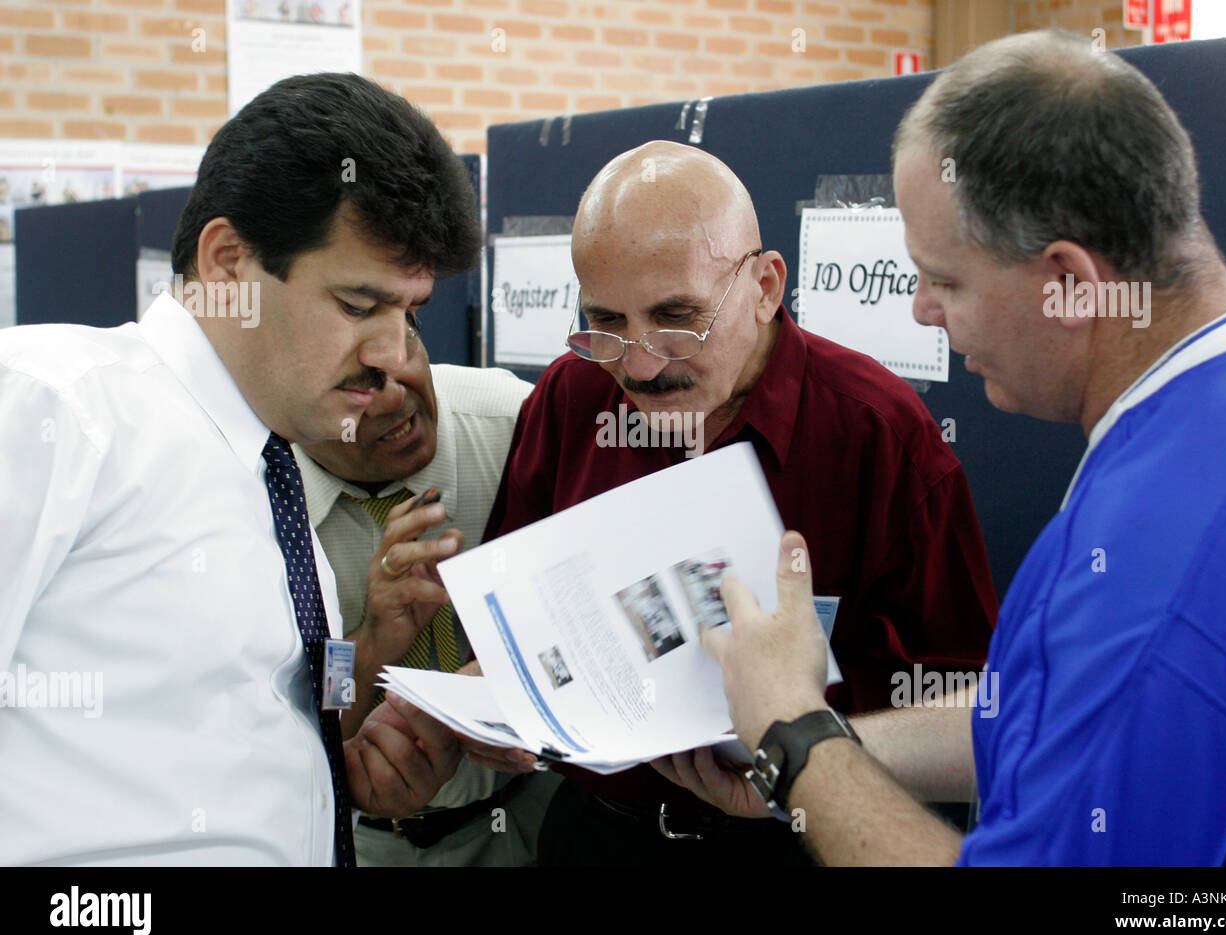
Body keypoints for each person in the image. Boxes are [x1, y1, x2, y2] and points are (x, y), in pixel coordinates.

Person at [658, 29, 1226, 866]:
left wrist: (795, 736)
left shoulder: (1157, 571)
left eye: (945, 279)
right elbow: (1065, 713)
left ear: (1070, 280)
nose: (922, 309)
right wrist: (836, 746)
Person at [0, 73, 480, 865]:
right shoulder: (53, 407)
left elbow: (278, 700)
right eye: (360, 306)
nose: (395, 357)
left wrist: (360, 719)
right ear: (228, 263)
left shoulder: (272, 465)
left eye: (411, 314)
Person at [483, 140, 999, 865]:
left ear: (764, 286)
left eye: (675, 320)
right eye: (607, 324)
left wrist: (808, 739)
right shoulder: (573, 396)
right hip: (598, 832)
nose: (639, 364)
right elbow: (515, 598)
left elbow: (969, 694)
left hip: (794, 840)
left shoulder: (877, 431)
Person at [293, 326, 561, 865]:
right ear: (294, 408)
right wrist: (368, 647)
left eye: (405, 349)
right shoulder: (256, 497)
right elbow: (286, 718)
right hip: (359, 839)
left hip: (536, 817)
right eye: (357, 385)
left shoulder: (518, 424)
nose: (396, 395)